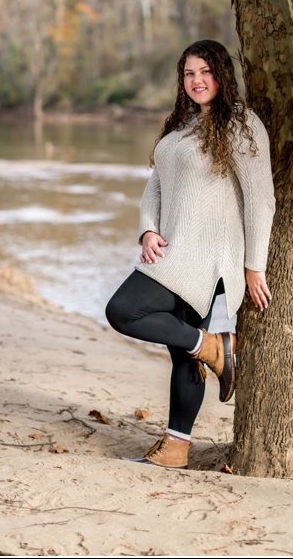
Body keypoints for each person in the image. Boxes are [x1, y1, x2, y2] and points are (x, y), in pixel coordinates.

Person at [105, 39, 275, 469]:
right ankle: (177, 448)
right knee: (186, 351)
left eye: (205, 72)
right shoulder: (183, 126)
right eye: (189, 73)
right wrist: (147, 229)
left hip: (208, 257)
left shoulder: (241, 123)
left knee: (123, 310)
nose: (197, 81)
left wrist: (254, 266)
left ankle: (215, 348)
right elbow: (156, 186)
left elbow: (261, 200)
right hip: (172, 251)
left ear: (222, 75)